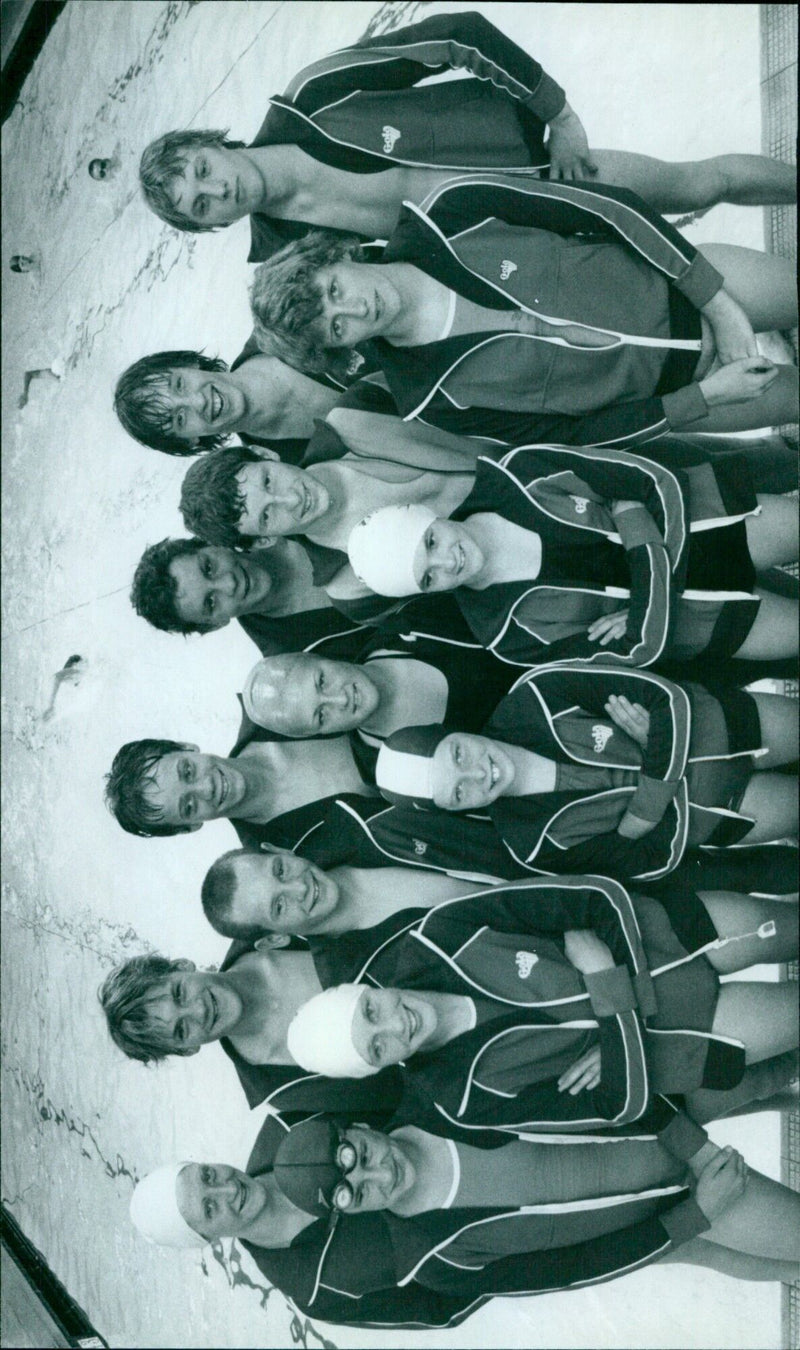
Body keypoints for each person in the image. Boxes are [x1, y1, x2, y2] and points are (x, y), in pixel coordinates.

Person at [138, 10, 796, 264]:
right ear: (212, 227)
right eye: (202, 204)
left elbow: (460, 35)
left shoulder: (314, 95)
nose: (215, 187)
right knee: (692, 273)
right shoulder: (288, 255)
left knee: (699, 184)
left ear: (211, 142)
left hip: (539, 170)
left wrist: (559, 116)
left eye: (201, 168)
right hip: (525, 257)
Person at [251, 184, 798, 447]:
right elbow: (576, 434)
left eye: (334, 290)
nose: (353, 309)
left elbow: (605, 208)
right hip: (692, 388)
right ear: (340, 347)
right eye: (337, 327)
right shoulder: (431, 399)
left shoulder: (445, 213)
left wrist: (716, 303)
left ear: (335, 256)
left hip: (686, 288)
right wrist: (702, 399)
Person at [128, 1121, 798, 1330]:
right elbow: (438, 1312)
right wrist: (481, 1264)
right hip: (536, 1240)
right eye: (208, 1209)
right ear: (212, 1242)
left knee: (701, 1217)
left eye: (207, 1175)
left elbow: (400, 1093)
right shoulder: (318, 1286)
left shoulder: (290, 1129)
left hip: (538, 1166)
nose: (227, 1189)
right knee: (689, 1248)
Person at [346, 441, 799, 668]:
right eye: (429, 578)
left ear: (431, 517)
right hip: (701, 618)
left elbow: (650, 478)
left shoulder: (516, 475)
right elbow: (637, 654)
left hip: (709, 521)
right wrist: (630, 519)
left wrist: (644, 604)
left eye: (431, 542)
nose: (448, 562)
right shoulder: (503, 633)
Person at [374, 667, 798, 883]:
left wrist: (643, 815)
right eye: (459, 792)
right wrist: (657, 747)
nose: (477, 774)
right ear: (457, 810)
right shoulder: (532, 845)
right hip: (715, 812)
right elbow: (651, 864)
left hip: (721, 728)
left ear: (453, 731)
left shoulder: (535, 696)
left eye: (458, 754)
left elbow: (663, 695)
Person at [239, 623, 516, 780]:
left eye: (322, 681)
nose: (340, 698)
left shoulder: (405, 628)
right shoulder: (383, 769)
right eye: (321, 715)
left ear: (324, 657)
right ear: (322, 734)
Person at [129, 535, 364, 657]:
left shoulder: (283, 510)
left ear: (210, 545)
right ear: (214, 624)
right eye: (211, 602)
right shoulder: (291, 653)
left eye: (208, 567)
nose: (229, 583)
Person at [113, 348, 368, 459]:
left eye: (179, 384)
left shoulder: (286, 328)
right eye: (180, 419)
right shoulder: (276, 472)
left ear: (189, 364)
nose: (199, 401)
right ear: (188, 441)